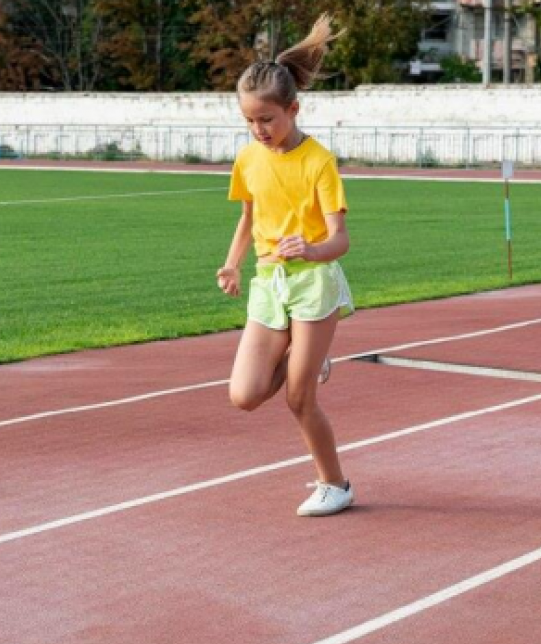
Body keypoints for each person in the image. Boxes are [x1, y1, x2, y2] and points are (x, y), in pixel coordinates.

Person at [217, 14, 356, 517]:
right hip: (269, 283)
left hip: (315, 283)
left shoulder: (319, 161)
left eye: (267, 120)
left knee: (299, 399)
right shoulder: (249, 158)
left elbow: (340, 240)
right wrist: (233, 263)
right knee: (245, 394)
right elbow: (248, 216)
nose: (258, 130)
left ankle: (335, 484)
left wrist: (311, 250)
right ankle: (306, 354)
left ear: (293, 109)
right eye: (249, 121)